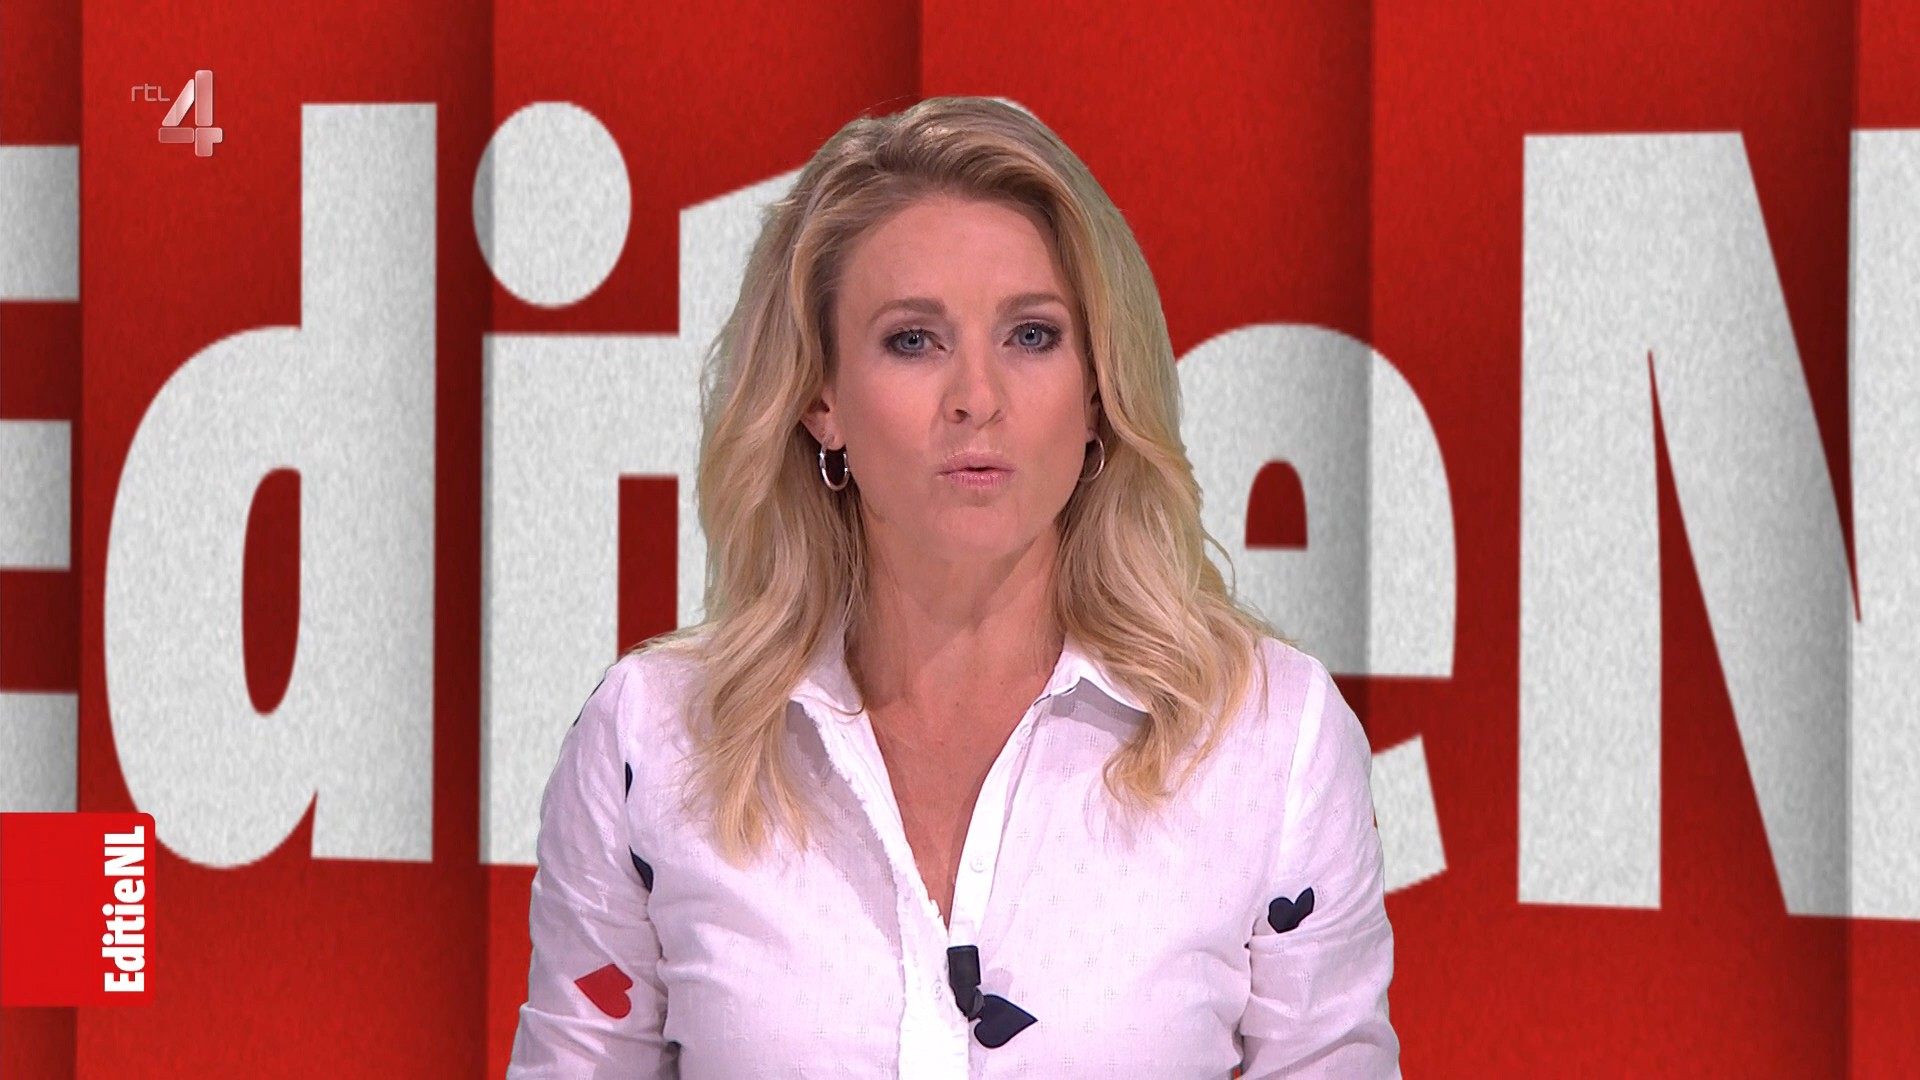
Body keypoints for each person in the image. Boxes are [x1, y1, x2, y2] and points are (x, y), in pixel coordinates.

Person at [507, 95, 1399, 1079]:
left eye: (1032, 336)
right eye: (913, 340)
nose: (977, 397)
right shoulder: (656, 739)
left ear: (1098, 392)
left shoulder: (1267, 738)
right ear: (820, 397)